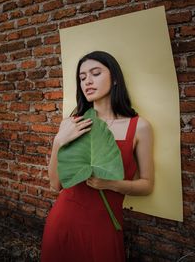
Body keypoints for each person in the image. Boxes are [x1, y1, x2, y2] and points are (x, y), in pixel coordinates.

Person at [41, 51, 154, 262]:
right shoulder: (73, 123)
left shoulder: (139, 127)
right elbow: (56, 185)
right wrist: (58, 141)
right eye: (82, 78)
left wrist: (110, 183)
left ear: (115, 78)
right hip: (63, 223)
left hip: (105, 226)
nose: (87, 82)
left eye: (95, 73)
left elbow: (147, 185)